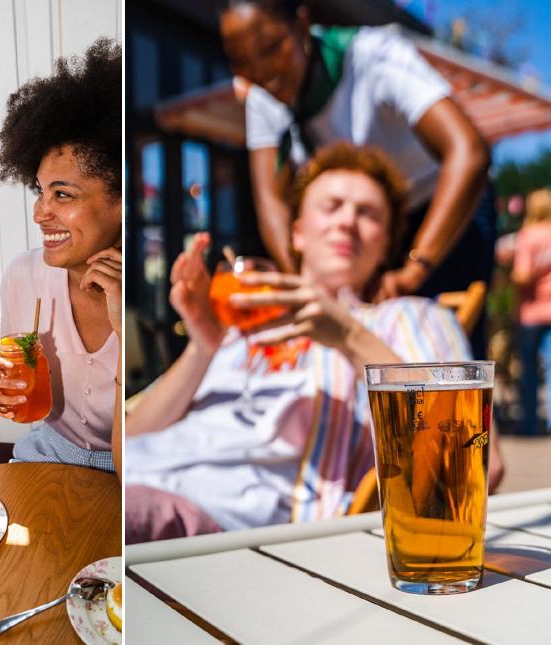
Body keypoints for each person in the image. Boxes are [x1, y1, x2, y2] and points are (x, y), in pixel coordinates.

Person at [125, 143, 504, 543]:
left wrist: (348, 336)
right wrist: (203, 347)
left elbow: (475, 460)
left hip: (206, 516)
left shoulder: (409, 318)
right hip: (129, 475)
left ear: (386, 244)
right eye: (332, 206)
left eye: (368, 213)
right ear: (298, 233)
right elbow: (131, 436)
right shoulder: (241, 324)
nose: (347, 222)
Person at [220, 0, 494, 352]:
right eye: (241, 62)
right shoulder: (263, 94)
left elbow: (468, 152)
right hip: (366, 226)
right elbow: (270, 201)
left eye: (272, 48)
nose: (262, 71)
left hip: (441, 208)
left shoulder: (373, 56)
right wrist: (303, 281)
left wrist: (415, 268)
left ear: (302, 25)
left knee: (430, 343)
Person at [0, 38, 122, 472]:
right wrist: (1, 387)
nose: (40, 213)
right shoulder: (23, 277)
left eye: (63, 194)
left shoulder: (162, 298)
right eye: (41, 191)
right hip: (46, 454)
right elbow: (23, 400)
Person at [513, 189, 551, 435]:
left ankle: (529, 424)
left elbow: (523, 275)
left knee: (528, 369)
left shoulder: (528, 235)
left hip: (532, 312)